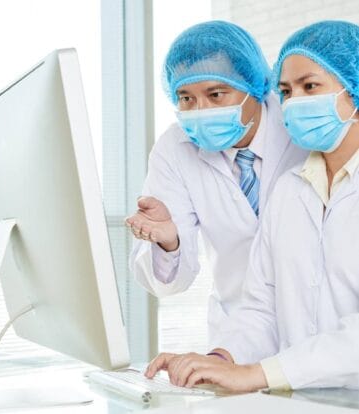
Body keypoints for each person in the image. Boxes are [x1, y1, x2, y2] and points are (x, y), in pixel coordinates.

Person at [145, 20, 359, 392]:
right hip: (300, 395)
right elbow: (263, 307)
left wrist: (256, 374)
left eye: (310, 87)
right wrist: (218, 361)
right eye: (286, 91)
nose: (294, 103)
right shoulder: (292, 191)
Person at [126, 20, 306, 350]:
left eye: (216, 94)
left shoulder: (302, 128)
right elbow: (167, 284)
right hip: (237, 336)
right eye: (186, 98)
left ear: (253, 86)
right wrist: (169, 241)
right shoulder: (174, 149)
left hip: (316, 329)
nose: (200, 112)